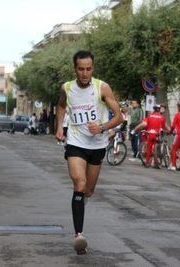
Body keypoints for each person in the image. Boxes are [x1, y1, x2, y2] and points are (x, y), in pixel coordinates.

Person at [55, 50, 123, 254]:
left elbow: (119, 117)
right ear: (74, 69)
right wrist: (60, 126)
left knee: (88, 191)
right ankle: (79, 236)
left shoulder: (102, 87)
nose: (84, 73)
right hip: (76, 142)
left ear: (92, 68)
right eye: (80, 69)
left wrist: (102, 128)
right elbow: (60, 106)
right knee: (80, 183)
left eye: (88, 69)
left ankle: (80, 202)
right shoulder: (67, 88)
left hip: (98, 144)